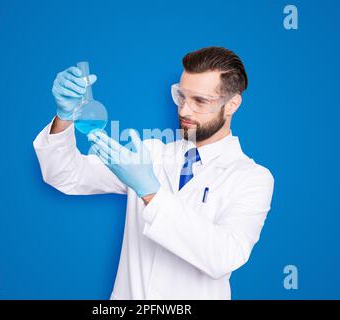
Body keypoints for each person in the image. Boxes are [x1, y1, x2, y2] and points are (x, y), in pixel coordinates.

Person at [33, 46, 275, 300]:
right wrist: (64, 116)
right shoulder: (150, 154)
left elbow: (223, 257)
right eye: (181, 96)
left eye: (200, 101)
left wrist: (151, 192)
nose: (184, 110)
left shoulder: (252, 177)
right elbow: (65, 174)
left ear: (232, 104)